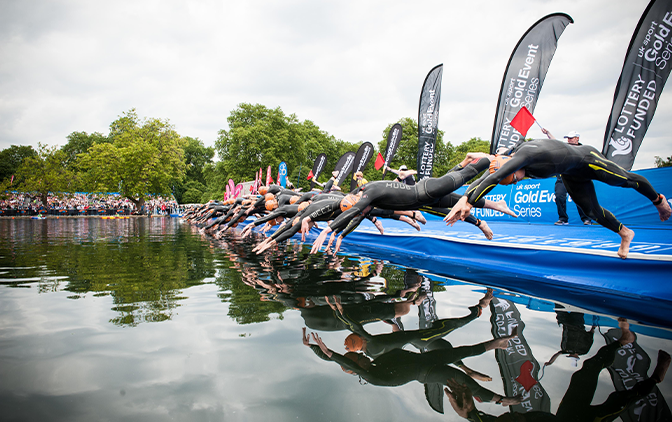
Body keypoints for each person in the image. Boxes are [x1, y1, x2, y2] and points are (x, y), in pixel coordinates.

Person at [445, 139, 672, 259]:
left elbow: (496, 175)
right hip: (571, 173)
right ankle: (625, 233)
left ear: (512, 168)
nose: (517, 183)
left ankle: (658, 200)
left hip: (586, 159)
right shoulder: (509, 159)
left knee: (622, 180)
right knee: (591, 210)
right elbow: (491, 175)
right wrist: (464, 197)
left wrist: (469, 201)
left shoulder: (525, 155)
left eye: (514, 180)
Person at [444, 319, 671, 422]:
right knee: (619, 401)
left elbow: (483, 418)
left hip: (563, 417)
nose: (508, 417)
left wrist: (471, 414)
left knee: (586, 372)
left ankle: (622, 341)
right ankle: (655, 379)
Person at [542, 128, 591, 225]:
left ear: (577, 138)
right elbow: (555, 141)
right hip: (562, 178)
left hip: (576, 179)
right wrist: (548, 133)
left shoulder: (583, 150)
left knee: (580, 199)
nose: (569, 140)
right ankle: (563, 219)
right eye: (568, 138)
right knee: (559, 196)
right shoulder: (565, 147)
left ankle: (586, 219)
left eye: (571, 138)